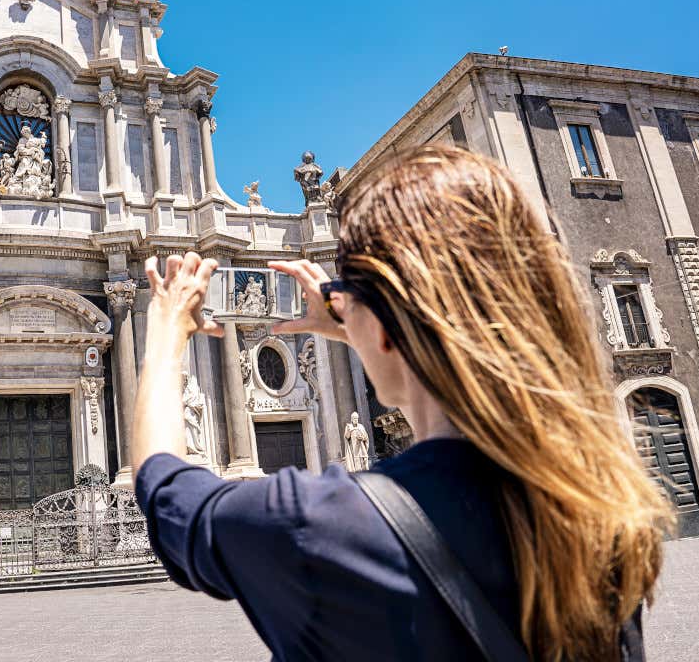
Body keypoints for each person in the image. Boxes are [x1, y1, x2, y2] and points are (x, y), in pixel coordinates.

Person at [133, 145, 671, 661]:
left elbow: (167, 494)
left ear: (387, 327)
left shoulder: (331, 528)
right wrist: (369, 322)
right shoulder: (603, 518)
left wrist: (163, 335)